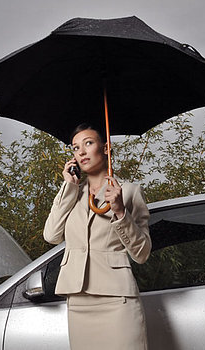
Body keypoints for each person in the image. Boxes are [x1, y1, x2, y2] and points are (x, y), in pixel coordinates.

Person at [43, 123, 152, 350]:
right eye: (75, 148)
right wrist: (68, 186)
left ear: (105, 148)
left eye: (88, 143)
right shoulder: (71, 192)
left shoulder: (129, 191)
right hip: (79, 301)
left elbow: (142, 253)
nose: (81, 152)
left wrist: (121, 211)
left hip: (117, 300)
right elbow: (51, 235)